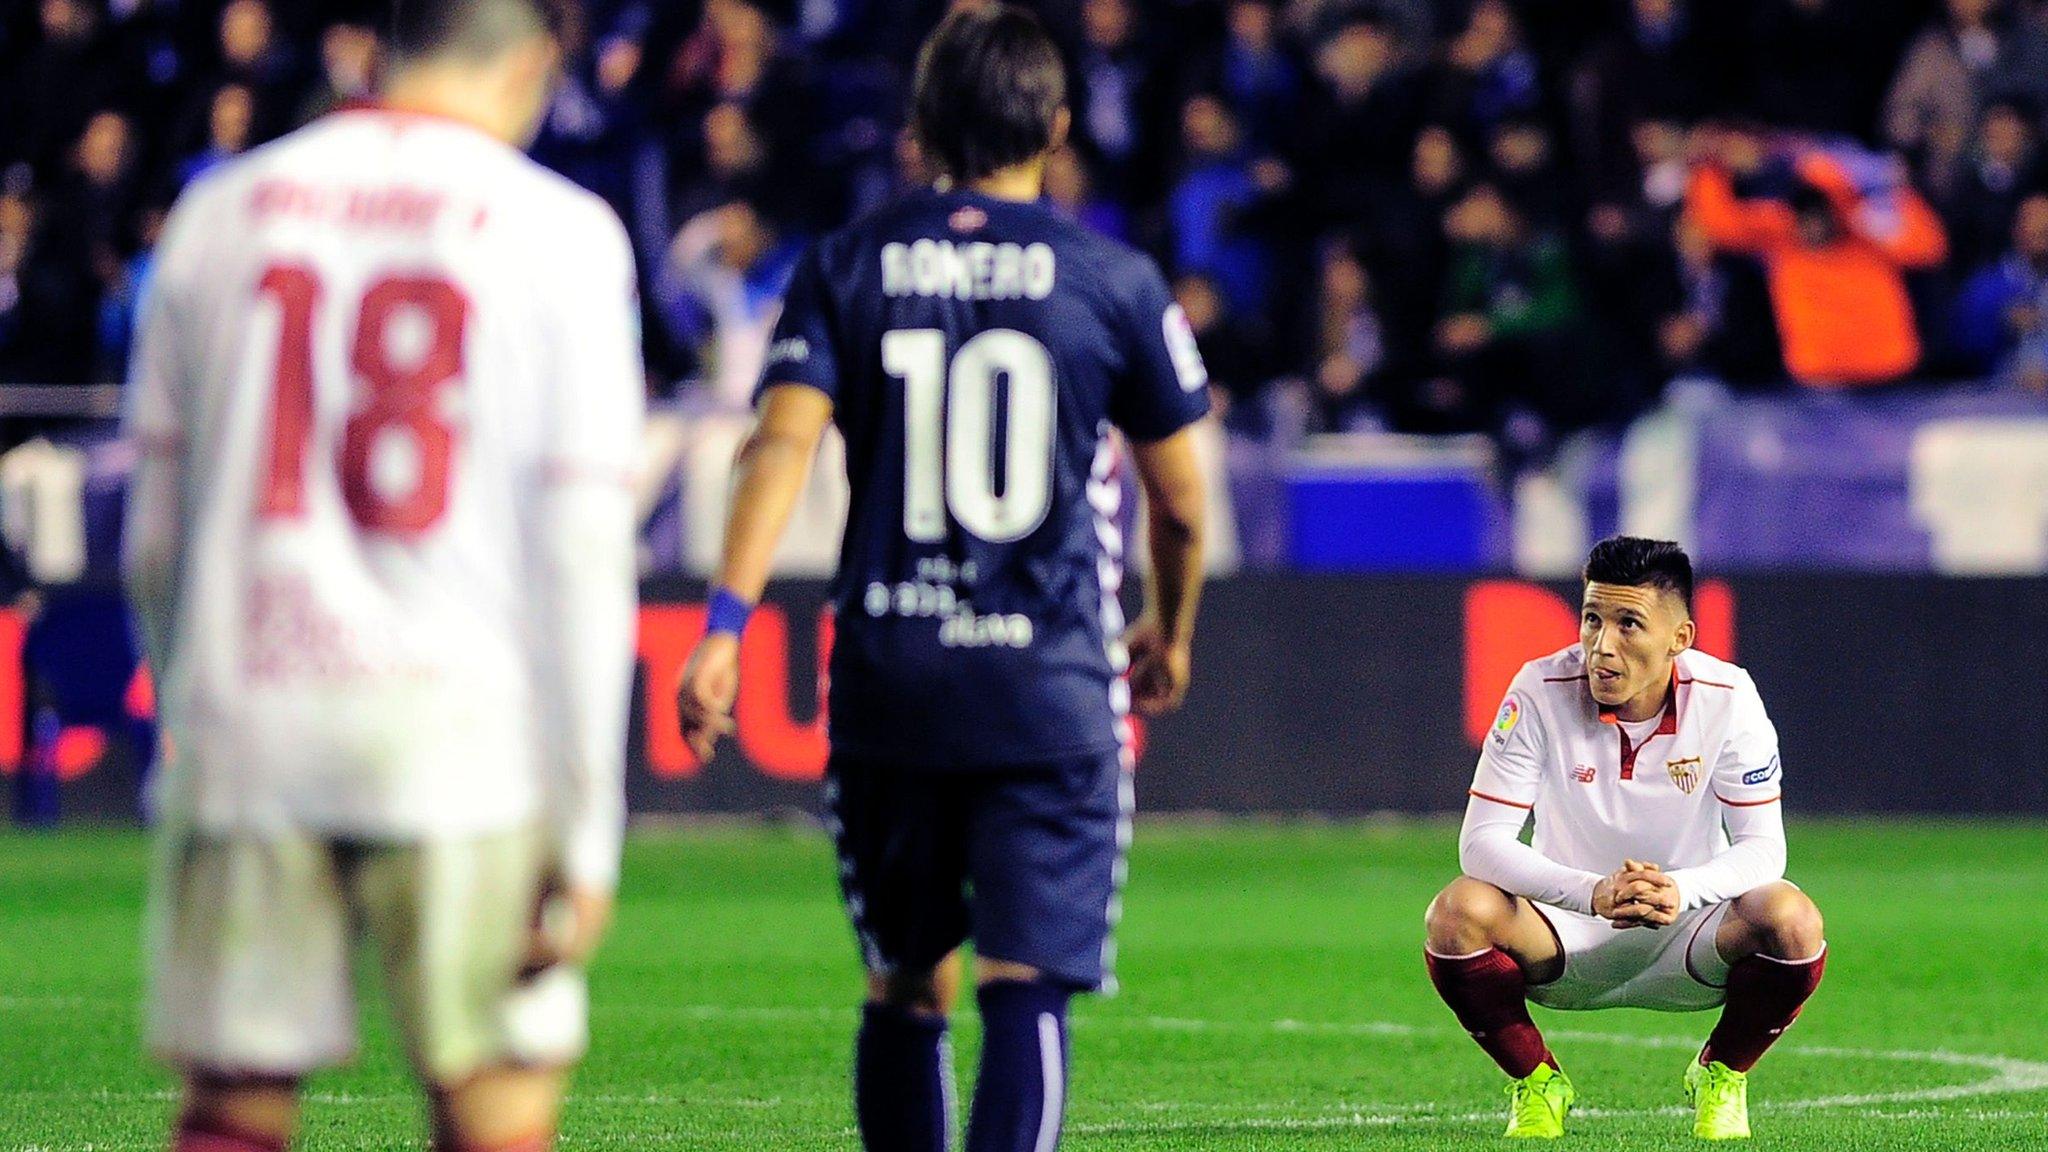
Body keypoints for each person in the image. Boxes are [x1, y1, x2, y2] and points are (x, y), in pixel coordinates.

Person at [674, 8, 1211, 1151]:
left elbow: (776, 447)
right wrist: (1167, 625)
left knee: (904, 984)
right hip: (1049, 684)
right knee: (1024, 985)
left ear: (917, 128)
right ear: (1057, 126)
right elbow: (1180, 500)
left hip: (889, 677)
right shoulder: (1110, 278)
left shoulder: (846, 263)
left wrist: (725, 622)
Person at [121, 0, 644, 1148]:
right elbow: (579, 552)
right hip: (463, 734)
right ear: (531, 65)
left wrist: (192, 712)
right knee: (495, 1100)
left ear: (381, 47)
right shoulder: (561, 234)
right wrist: (587, 823)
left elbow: (153, 535)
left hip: (252, 709)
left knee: (234, 1108)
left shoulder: (218, 216)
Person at [1423, 537, 1826, 1141]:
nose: (1601, 645)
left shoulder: (1729, 697)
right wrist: (1593, 893)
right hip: (1562, 931)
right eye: (1592, 618)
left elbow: (1765, 848)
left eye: (1628, 623)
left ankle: (1722, 1074)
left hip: (1689, 932)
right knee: (1456, 914)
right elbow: (1481, 843)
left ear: (1680, 639)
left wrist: (1681, 890)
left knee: (1793, 920)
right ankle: (1537, 1083)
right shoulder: (1538, 689)